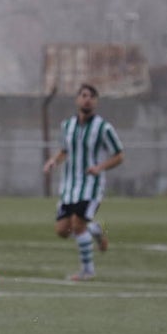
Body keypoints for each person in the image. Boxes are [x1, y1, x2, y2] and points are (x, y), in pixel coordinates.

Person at [42, 83, 125, 281]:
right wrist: (54, 161)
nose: (87, 99)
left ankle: (87, 271)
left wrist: (100, 167)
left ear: (96, 102)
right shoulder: (67, 125)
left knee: (78, 226)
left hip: (90, 186)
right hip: (69, 187)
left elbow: (120, 155)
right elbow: (64, 151)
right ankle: (96, 229)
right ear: (77, 99)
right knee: (62, 230)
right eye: (84, 95)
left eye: (92, 96)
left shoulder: (103, 128)